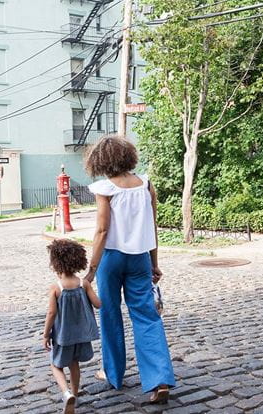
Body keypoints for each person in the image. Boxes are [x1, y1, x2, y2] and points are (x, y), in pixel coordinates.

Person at [84, 135, 175, 404]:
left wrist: (91, 270)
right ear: (127, 156)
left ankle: (113, 373)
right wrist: (154, 262)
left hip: (112, 259)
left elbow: (102, 230)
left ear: (100, 160)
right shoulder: (145, 184)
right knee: (147, 316)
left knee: (110, 314)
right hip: (140, 259)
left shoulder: (105, 188)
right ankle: (159, 378)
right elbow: (152, 226)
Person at [42, 239, 101, 414]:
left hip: (62, 336)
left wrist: (46, 335)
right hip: (82, 335)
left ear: (55, 264)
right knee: (74, 363)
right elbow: (98, 304)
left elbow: (51, 313)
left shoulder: (56, 288)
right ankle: (75, 393)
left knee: (56, 365)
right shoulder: (84, 284)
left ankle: (67, 393)